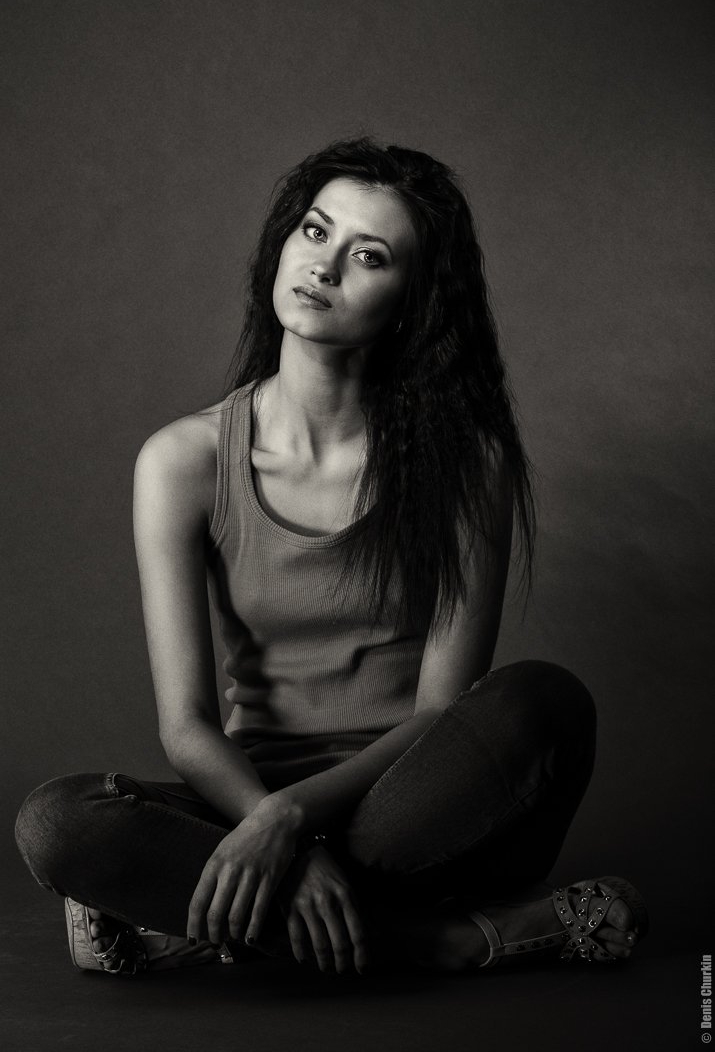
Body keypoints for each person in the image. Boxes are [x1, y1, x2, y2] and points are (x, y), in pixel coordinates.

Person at [15, 138, 647, 977]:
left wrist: (291, 828)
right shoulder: (182, 461)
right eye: (315, 232)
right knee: (57, 822)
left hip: (418, 802)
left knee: (542, 700)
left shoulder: (467, 464)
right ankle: (453, 939)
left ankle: (214, 925)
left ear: (413, 301)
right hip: (243, 794)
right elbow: (188, 726)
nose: (324, 266)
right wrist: (270, 825)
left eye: (368, 255)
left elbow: (440, 710)